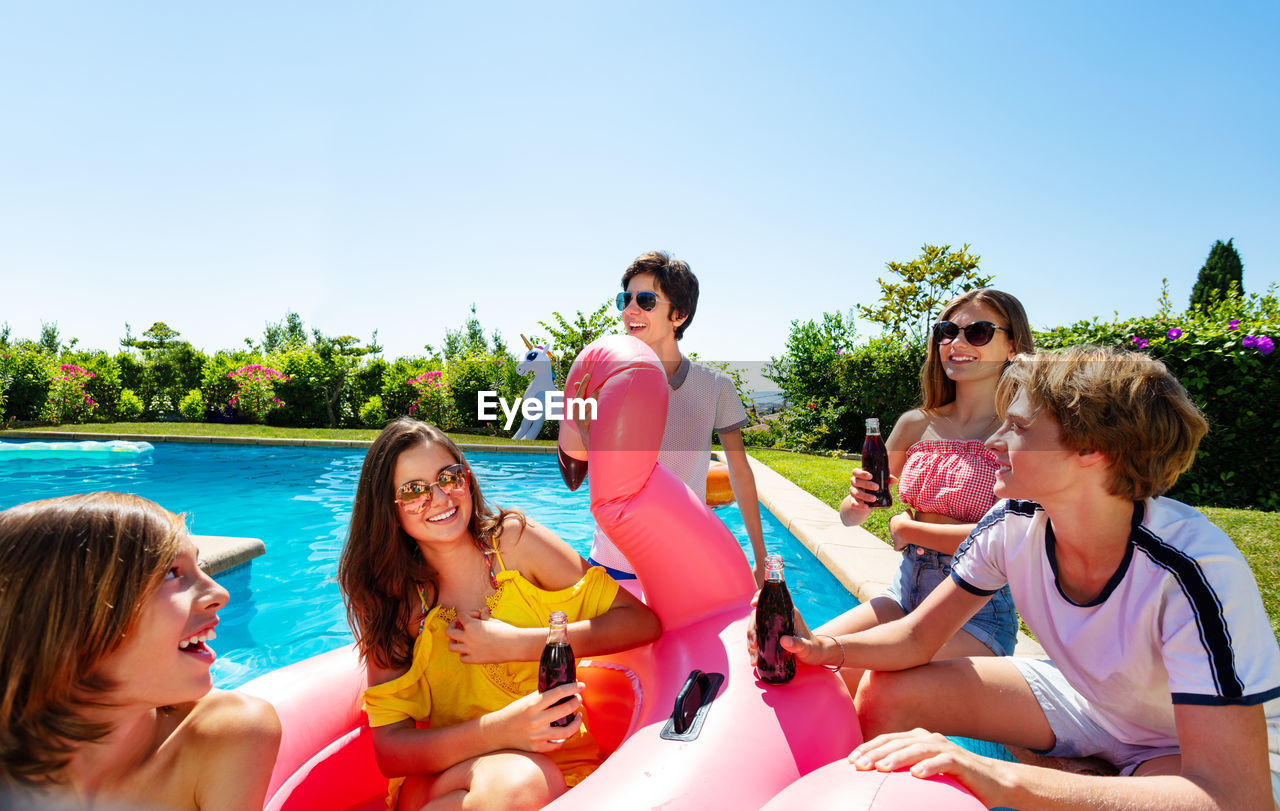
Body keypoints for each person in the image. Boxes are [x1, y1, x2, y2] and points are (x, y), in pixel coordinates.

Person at [775, 347, 1280, 808]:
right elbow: (916, 636)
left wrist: (996, 776)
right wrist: (823, 647)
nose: (993, 440)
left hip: (1179, 738)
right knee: (886, 695)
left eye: (1016, 426)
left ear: (1091, 448)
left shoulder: (1193, 575)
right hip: (1086, 699)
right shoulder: (1013, 524)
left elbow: (1236, 796)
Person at [338, 418, 661, 810]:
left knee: (522, 785)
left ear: (467, 478)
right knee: (519, 784)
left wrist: (517, 644)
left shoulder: (515, 543)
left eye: (449, 477)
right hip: (448, 774)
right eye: (414, 491)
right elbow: (391, 752)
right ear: (389, 509)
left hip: (563, 767)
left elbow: (640, 621)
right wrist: (503, 730)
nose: (439, 498)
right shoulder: (396, 603)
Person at [0, 491, 281, 809]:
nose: (219, 592)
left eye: (200, 567)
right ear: (59, 620)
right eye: (170, 573)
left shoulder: (224, 735)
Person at [828, 289, 1032, 688]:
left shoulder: (1020, 432)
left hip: (976, 616)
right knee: (812, 662)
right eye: (946, 331)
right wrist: (857, 501)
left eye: (978, 332)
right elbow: (850, 517)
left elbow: (1011, 541)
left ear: (1013, 346)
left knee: (869, 682)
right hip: (904, 594)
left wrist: (910, 531)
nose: (956, 343)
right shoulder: (914, 424)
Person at [585, 250, 769, 586]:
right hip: (611, 565)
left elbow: (740, 473)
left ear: (679, 315)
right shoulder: (606, 382)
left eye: (646, 300)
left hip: (681, 567)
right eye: (625, 299)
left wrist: (760, 557)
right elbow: (584, 465)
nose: (630, 310)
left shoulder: (715, 387)